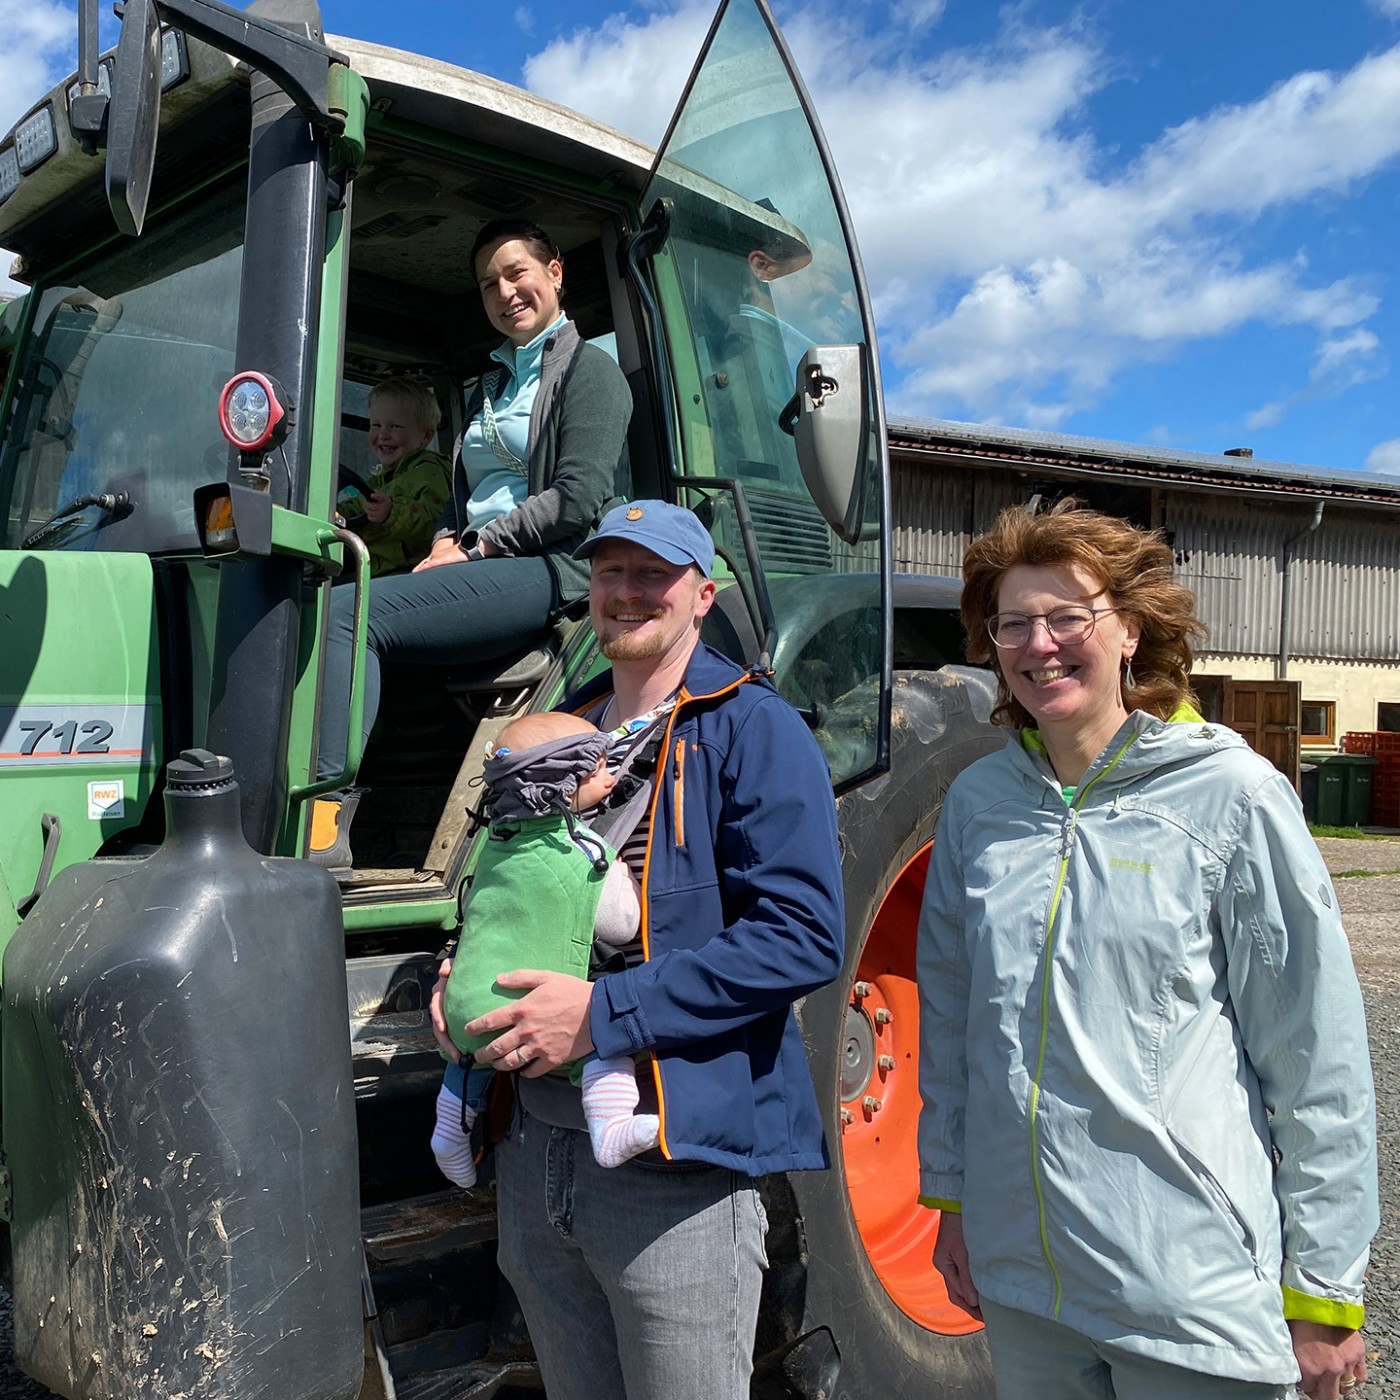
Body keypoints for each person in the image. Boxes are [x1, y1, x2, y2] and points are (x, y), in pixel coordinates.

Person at [916, 499, 1378, 1400]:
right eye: (1013, 623)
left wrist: (1324, 1290)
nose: (1039, 644)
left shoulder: (1228, 795)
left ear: (1128, 629)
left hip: (1185, 1297)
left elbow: (1314, 1051)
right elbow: (953, 1026)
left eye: (1067, 617)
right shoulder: (979, 803)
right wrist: (955, 1205)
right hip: (1029, 1295)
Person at [430, 500, 846, 1400]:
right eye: (610, 572)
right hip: (536, 1154)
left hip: (670, 1166)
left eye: (652, 574)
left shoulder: (753, 727)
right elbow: (496, 880)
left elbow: (803, 936)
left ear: (703, 594)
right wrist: (453, 981)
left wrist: (602, 1016)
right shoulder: (556, 730)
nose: (627, 593)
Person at [312, 219, 632, 804]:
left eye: (517, 273)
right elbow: (462, 495)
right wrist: (442, 539)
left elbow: (576, 498)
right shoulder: (490, 386)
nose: (505, 293)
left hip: (549, 569)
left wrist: (475, 546)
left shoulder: (591, 373)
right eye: (489, 284)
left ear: (554, 274)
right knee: (311, 601)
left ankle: (319, 817)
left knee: (347, 615)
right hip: (480, 560)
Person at [429, 710, 656, 1188]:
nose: (610, 775)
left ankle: (449, 1133)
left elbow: (474, 907)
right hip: (531, 1013)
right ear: (562, 785)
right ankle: (610, 1125)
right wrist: (622, 875)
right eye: (597, 770)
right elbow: (621, 925)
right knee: (603, 1037)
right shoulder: (582, 850)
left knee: (468, 1060)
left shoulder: (493, 844)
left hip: (461, 1003)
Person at [336, 375, 452, 577]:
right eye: (376, 425)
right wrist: (334, 513)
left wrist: (392, 513)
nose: (384, 434)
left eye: (395, 426)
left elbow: (437, 523)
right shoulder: (379, 479)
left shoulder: (429, 471)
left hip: (409, 573)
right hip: (371, 571)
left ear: (425, 436)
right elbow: (359, 506)